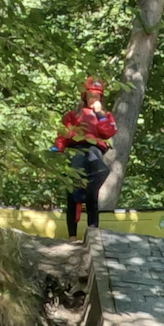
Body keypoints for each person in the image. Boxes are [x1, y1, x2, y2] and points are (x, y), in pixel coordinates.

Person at [56, 79, 116, 240]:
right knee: (72, 192)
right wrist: (57, 148)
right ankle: (72, 235)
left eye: (97, 96)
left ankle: (93, 230)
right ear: (84, 96)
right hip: (76, 151)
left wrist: (99, 114)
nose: (94, 99)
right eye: (91, 96)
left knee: (93, 193)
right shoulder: (73, 115)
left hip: (94, 150)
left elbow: (108, 132)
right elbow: (62, 134)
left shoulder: (105, 115)